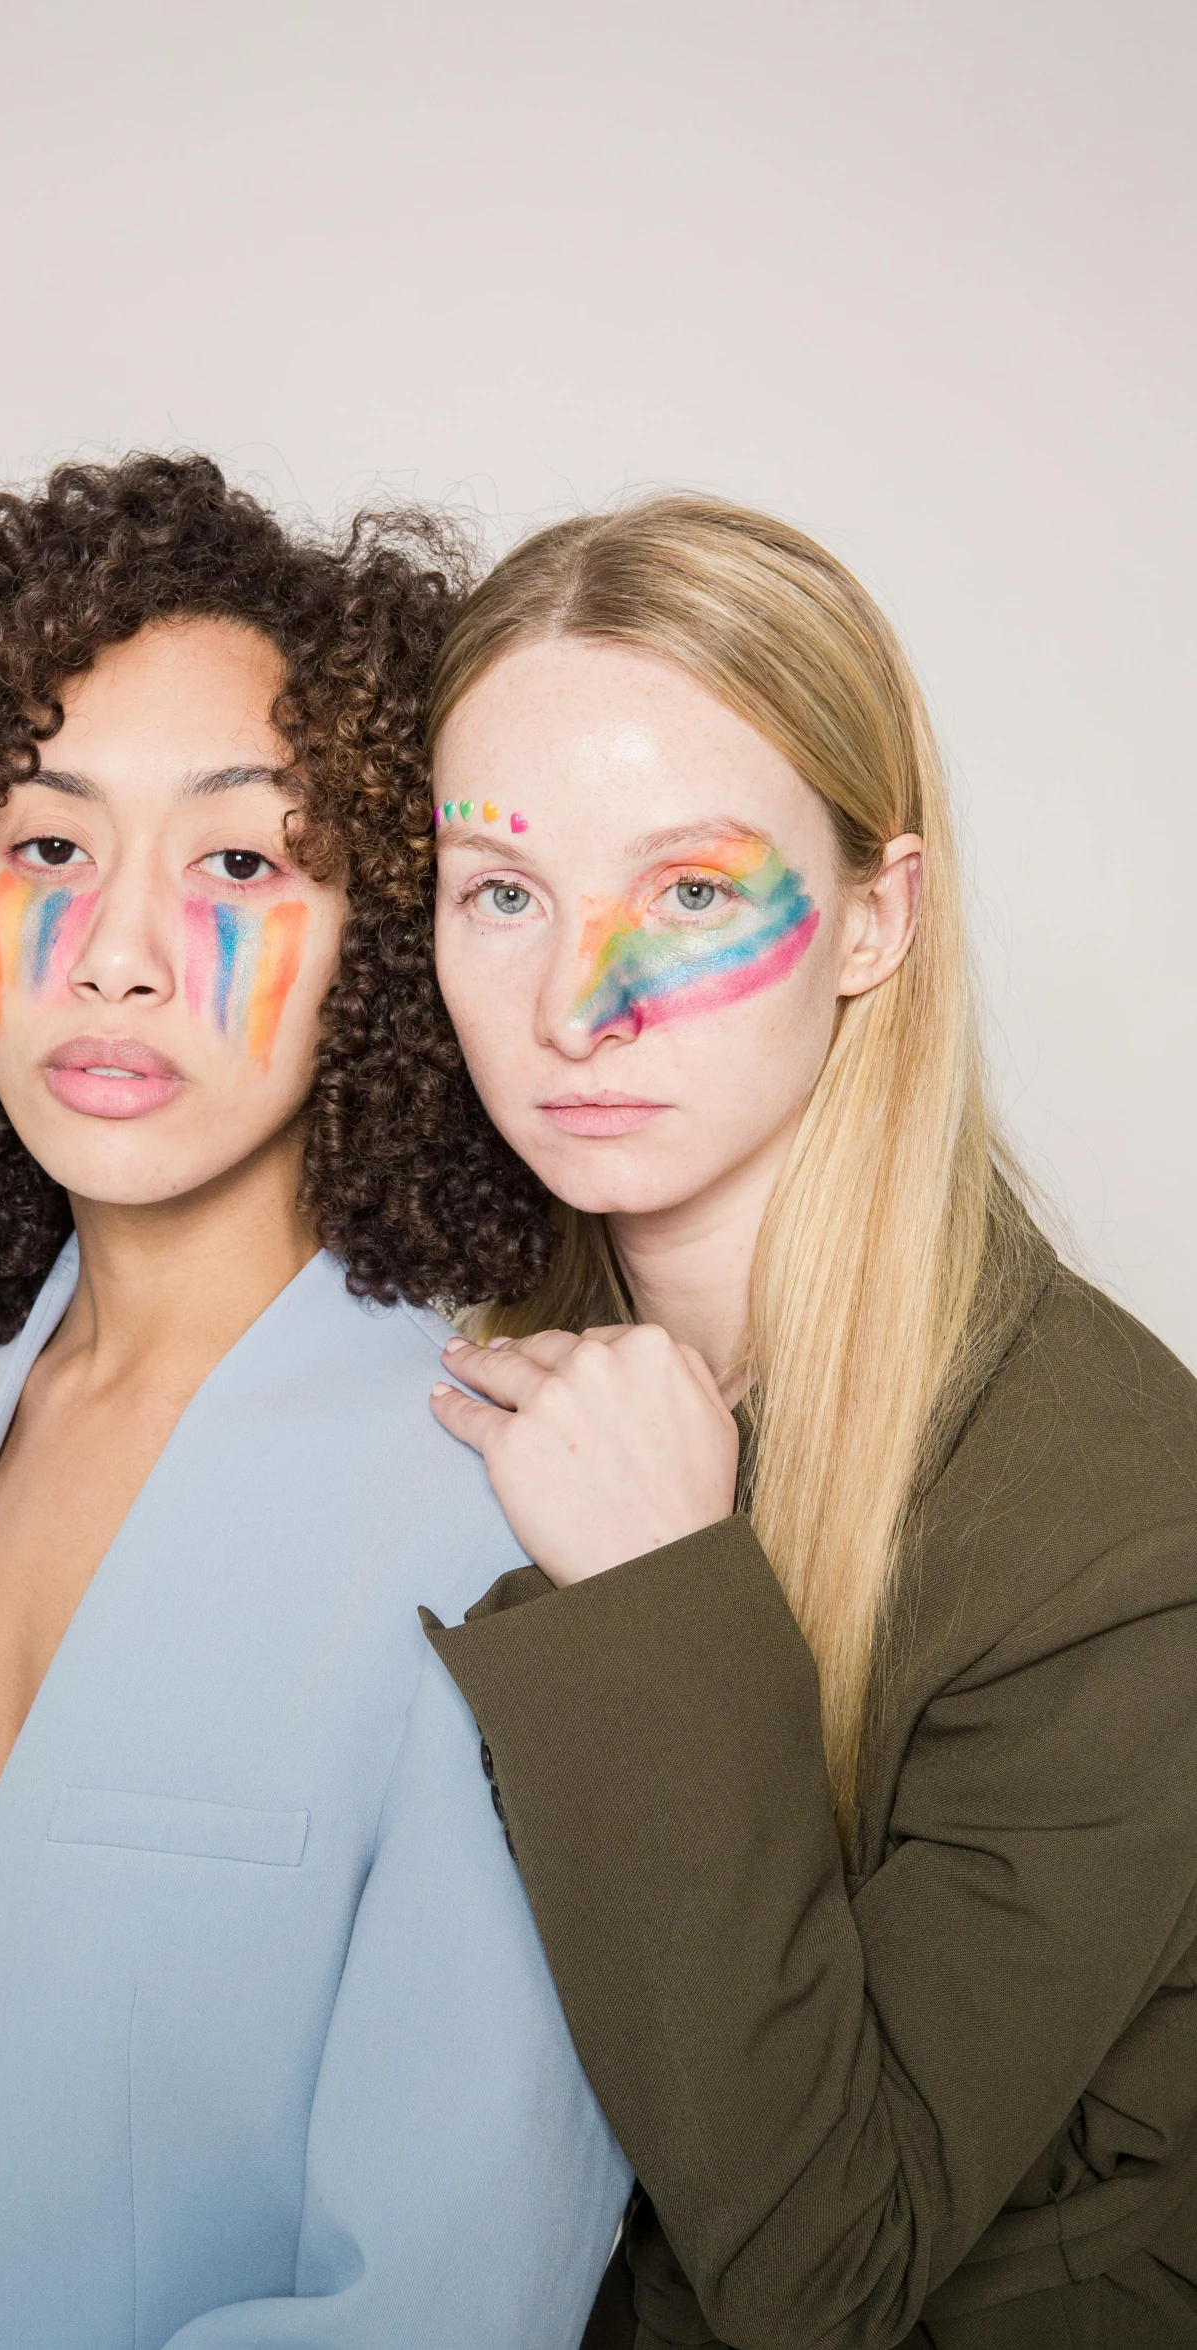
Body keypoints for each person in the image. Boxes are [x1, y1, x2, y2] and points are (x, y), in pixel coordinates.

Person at [0, 455, 630, 2350]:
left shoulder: (511, 1491)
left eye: (240, 858)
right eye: (46, 841)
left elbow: (442, 2295)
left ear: (386, 933)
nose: (116, 948)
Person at [412, 497, 1197, 2348]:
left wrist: (669, 1591)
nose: (571, 1006)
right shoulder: (495, 1322)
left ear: (873, 916)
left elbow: (822, 2279)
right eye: (501, 893)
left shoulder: (1116, 1530)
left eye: (688, 891)